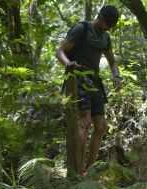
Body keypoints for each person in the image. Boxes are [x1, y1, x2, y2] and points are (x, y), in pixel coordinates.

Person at [56, 5, 122, 177]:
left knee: (101, 126)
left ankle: (89, 169)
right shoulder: (81, 29)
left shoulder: (105, 38)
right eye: (106, 23)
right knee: (84, 123)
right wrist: (68, 64)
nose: (107, 27)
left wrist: (116, 76)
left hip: (94, 81)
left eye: (110, 25)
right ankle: (77, 170)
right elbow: (60, 51)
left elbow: (112, 61)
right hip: (77, 78)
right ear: (99, 17)